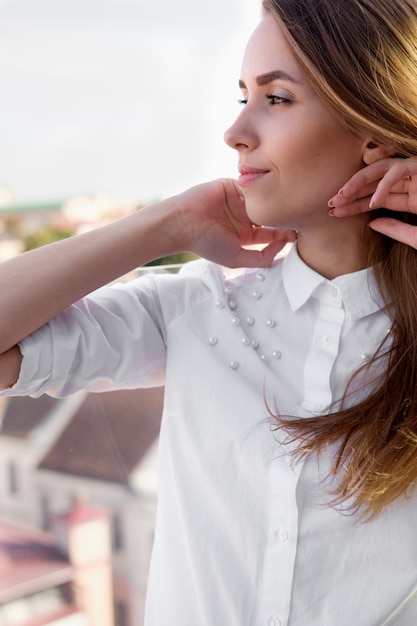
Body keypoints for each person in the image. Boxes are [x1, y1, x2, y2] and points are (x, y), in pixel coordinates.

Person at [1, 0, 417, 623]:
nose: (235, 131)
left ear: (374, 129)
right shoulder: (198, 306)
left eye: (277, 99)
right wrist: (167, 223)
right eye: (242, 95)